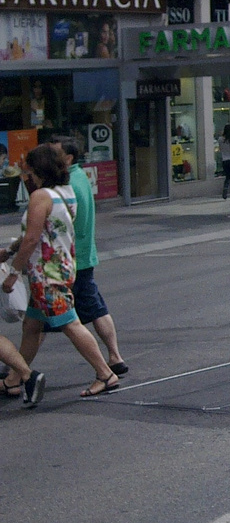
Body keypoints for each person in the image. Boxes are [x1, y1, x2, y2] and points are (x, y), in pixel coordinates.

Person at [0, 145, 118, 395]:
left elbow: (32, 238)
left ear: (39, 170)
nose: (27, 176)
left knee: (70, 324)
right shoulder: (64, 192)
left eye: (30, 170)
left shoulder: (40, 196)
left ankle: (105, 373)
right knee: (32, 327)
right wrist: (11, 250)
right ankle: (15, 378)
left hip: (46, 274)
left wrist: (13, 272)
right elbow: (42, 231)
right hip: (62, 266)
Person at [57, 139, 129, 376]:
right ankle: (114, 357)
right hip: (83, 255)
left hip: (74, 258)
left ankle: (110, 361)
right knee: (94, 308)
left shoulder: (68, 184)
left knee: (55, 317)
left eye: (54, 152)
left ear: (68, 157)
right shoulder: (80, 177)